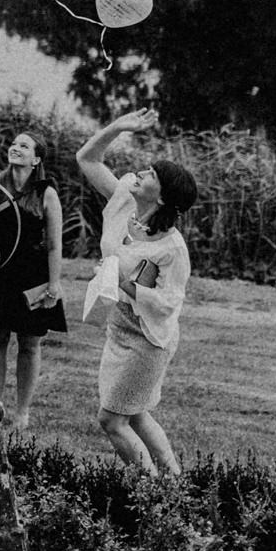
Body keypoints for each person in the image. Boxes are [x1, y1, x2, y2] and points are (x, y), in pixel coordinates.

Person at [76, 110, 198, 476]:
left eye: (151, 175)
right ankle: (174, 483)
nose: (140, 173)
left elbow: (168, 302)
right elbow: (87, 159)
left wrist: (123, 284)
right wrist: (117, 127)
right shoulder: (125, 200)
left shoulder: (172, 248)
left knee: (111, 421)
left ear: (161, 198)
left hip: (149, 339)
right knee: (137, 413)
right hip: (120, 326)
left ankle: (149, 492)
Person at [0, 131, 70, 427]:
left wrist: (54, 285)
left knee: (30, 344)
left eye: (24, 146)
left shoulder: (46, 193)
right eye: (13, 144)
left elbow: (54, 245)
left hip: (32, 274)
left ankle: (22, 413)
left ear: (36, 159)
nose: (15, 148)